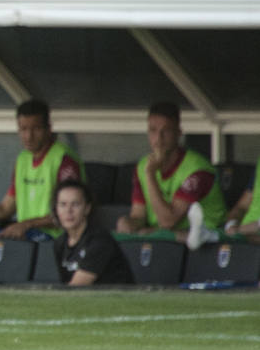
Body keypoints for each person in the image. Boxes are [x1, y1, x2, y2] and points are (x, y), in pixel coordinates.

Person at [0, 99, 83, 241]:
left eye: (36, 129)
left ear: (49, 129)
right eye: (24, 129)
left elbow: (71, 214)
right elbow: (5, 208)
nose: (29, 136)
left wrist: (26, 224)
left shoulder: (64, 160)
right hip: (25, 233)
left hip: (55, 238)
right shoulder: (23, 159)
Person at [117, 100, 226, 239]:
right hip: (171, 239)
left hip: (208, 240)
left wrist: (150, 174)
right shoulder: (142, 165)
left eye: (166, 131)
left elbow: (168, 221)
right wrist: (128, 223)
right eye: (153, 130)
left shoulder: (197, 169)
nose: (158, 139)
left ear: (178, 133)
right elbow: (139, 215)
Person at [52, 179, 134, 285]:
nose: (68, 210)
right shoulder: (60, 243)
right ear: (56, 209)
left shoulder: (100, 241)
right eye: (63, 204)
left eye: (75, 204)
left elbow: (76, 287)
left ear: (87, 208)